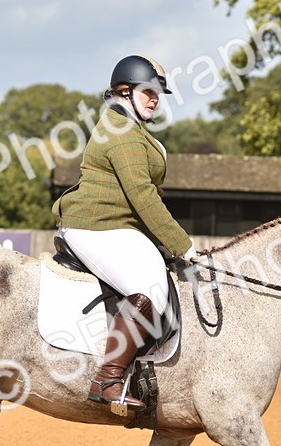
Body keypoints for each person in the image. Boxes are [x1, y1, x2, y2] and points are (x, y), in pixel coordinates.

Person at [52, 55, 199, 411]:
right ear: (124, 91)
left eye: (158, 94)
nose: (155, 100)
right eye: (148, 92)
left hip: (116, 226)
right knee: (149, 290)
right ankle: (108, 378)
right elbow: (142, 195)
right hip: (95, 224)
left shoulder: (132, 129)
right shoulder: (122, 132)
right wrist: (182, 245)